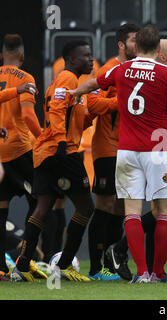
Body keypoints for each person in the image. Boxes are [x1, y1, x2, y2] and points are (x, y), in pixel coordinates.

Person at [69, 25, 167, 283]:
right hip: (158, 148)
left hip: (126, 149)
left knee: (132, 212)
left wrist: (76, 92)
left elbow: (95, 82)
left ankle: (141, 273)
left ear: (135, 48)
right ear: (159, 49)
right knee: (165, 211)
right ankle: (158, 273)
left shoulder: (121, 69)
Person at [11, 40, 115, 282]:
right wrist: (60, 142)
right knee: (86, 207)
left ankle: (22, 266)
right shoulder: (68, 78)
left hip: (45, 152)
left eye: (91, 56)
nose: (91, 60)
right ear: (71, 60)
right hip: (62, 151)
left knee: (42, 207)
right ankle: (65, 264)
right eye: (86, 56)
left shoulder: (70, 83)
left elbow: (73, 115)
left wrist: (95, 114)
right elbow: (57, 109)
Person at [86, 23, 141, 282]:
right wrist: (120, 101)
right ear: (121, 44)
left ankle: (112, 262)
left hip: (128, 147)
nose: (137, 45)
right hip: (107, 146)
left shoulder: (138, 70)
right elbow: (93, 104)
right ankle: (97, 267)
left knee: (121, 207)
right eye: (133, 40)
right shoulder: (110, 69)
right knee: (106, 203)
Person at [0, 34, 44, 282]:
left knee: (1, 210)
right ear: (23, 57)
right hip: (20, 151)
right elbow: (28, 116)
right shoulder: (26, 78)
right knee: (40, 202)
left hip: (1, 156)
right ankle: (26, 262)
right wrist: (43, 138)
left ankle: (0, 269)